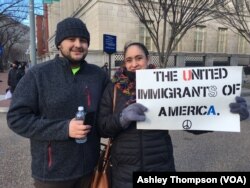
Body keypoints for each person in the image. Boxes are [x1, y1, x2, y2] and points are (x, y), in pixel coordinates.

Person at [97, 42, 250, 188]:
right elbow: (103, 128)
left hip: (160, 166)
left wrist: (227, 114)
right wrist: (122, 118)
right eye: (129, 60)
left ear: (147, 59)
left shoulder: (166, 85)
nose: (134, 64)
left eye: (139, 58)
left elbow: (190, 120)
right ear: (124, 62)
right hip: (124, 173)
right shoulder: (113, 89)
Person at [7, 17, 110, 188]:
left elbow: (110, 110)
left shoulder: (98, 75)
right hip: (52, 175)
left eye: (83, 40)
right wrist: (64, 128)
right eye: (71, 39)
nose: (78, 44)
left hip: (89, 170)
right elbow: (16, 119)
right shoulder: (37, 75)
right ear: (59, 44)